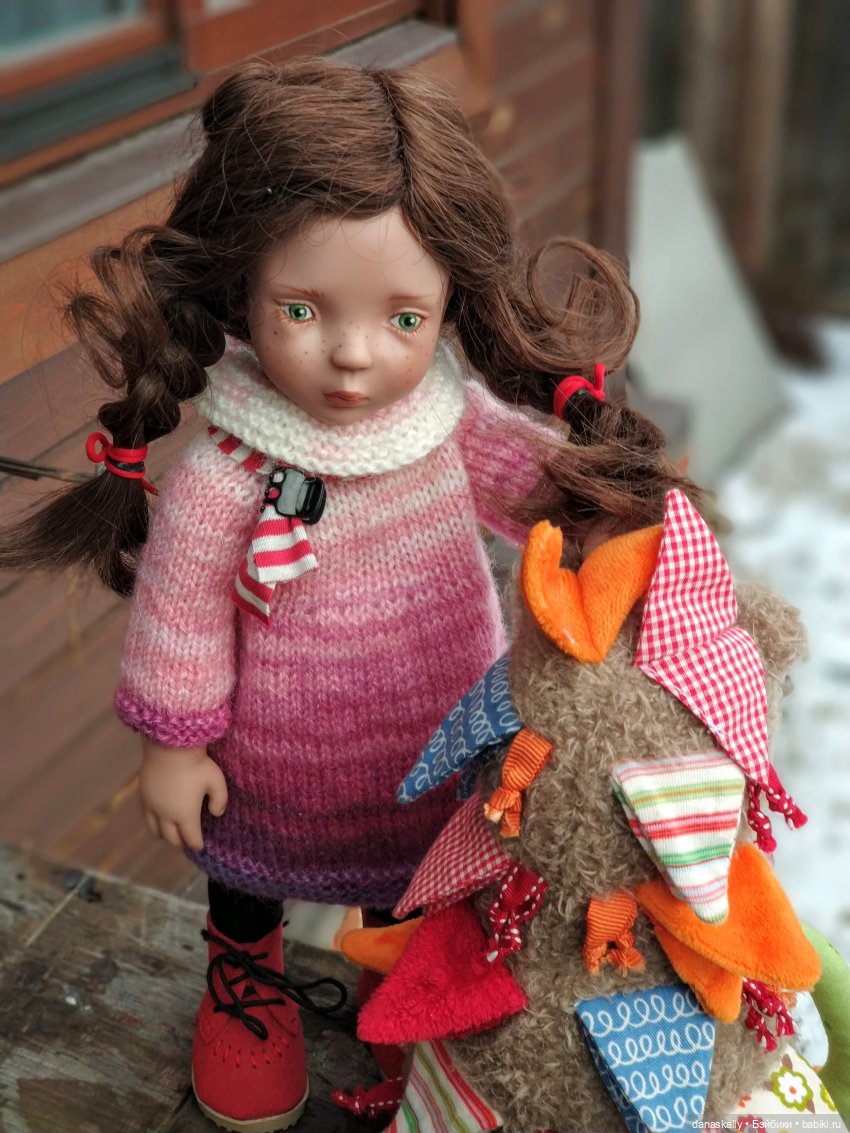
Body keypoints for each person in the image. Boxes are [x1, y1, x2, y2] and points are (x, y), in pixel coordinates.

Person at [1, 57, 689, 1133]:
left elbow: (542, 491)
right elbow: (181, 618)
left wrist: (619, 518)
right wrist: (174, 742)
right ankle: (246, 981)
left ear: (449, 305)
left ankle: (404, 981)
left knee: (416, 885)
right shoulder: (229, 470)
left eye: (403, 319)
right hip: (263, 765)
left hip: (435, 749)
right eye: (303, 309)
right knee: (246, 881)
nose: (354, 355)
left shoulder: (446, 426)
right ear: (243, 289)